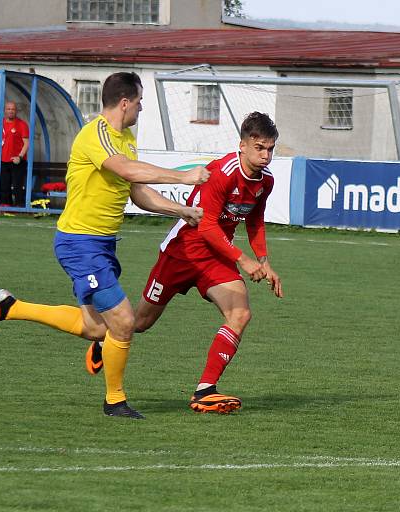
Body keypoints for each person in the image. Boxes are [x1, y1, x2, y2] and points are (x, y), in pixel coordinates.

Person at [0, 71, 210, 420]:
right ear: (125, 102)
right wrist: (182, 176)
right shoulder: (95, 135)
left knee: (98, 328)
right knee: (124, 322)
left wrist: (180, 210)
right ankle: (115, 401)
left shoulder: (125, 137)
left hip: (102, 244)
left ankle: (9, 307)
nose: (141, 109)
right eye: (140, 102)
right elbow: (127, 170)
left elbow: (136, 191)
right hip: (80, 243)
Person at [86, 112, 284, 414]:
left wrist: (264, 260)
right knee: (139, 323)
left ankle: (205, 390)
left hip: (216, 256)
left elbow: (255, 219)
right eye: (259, 147)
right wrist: (243, 259)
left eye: (270, 148)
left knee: (240, 313)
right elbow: (204, 227)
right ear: (242, 145)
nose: (266, 155)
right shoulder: (222, 172)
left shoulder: (265, 181)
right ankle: (105, 341)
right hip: (183, 251)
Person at [0, 101, 29, 207]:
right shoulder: (0, 123)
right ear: (5, 111)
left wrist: (20, 157)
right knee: (4, 185)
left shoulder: (22, 124)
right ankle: (6, 207)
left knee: (18, 185)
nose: (10, 111)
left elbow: (26, 143)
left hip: (17, 160)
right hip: (3, 160)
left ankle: (19, 207)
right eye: (8, 109)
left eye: (13, 109)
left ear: (16, 111)